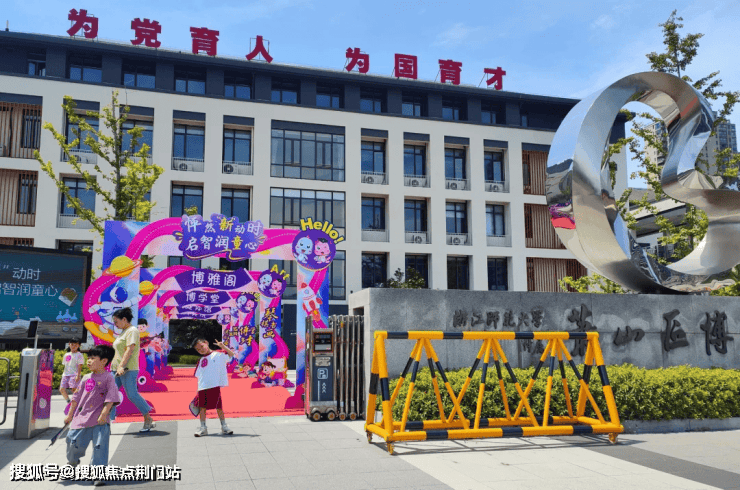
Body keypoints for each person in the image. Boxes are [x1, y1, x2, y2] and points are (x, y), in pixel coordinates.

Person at [65, 344, 121, 487]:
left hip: (100, 421)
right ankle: (73, 461)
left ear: (104, 361)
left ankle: (98, 475)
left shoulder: (109, 378)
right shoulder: (85, 378)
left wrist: (104, 414)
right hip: (82, 418)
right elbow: (76, 397)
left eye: (92, 358)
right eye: (88, 358)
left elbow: (111, 397)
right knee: (72, 441)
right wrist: (70, 415)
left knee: (100, 447)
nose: (88, 361)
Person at [110, 307, 156, 432]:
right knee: (110, 394)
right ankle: (107, 422)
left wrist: (121, 366)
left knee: (132, 394)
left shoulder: (132, 331)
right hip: (116, 369)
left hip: (128, 369)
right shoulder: (123, 332)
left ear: (124, 319)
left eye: (116, 321)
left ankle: (147, 418)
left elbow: (129, 350)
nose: (115, 324)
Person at [192, 337, 235, 437]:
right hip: (203, 387)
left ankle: (224, 426)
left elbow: (231, 356)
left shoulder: (218, 354)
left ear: (206, 342)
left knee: (219, 407)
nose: (201, 350)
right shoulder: (201, 360)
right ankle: (203, 427)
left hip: (214, 385)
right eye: (198, 349)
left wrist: (223, 347)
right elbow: (198, 375)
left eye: (201, 346)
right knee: (202, 408)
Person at [60, 338, 84, 405]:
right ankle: (69, 402)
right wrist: (63, 375)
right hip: (65, 375)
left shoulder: (79, 355)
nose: (73, 346)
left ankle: (78, 403)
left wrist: (78, 375)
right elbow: (65, 365)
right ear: (69, 344)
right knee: (62, 389)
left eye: (75, 345)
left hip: (74, 375)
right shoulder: (66, 354)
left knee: (74, 390)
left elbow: (80, 366)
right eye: (72, 344)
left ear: (79, 345)